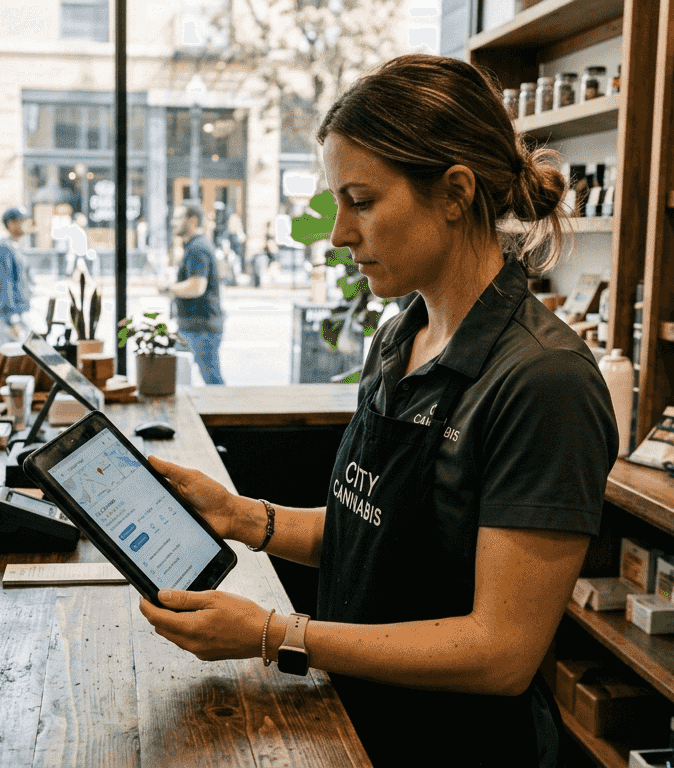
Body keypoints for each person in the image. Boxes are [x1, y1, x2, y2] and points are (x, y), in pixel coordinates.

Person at [137, 54, 617, 767]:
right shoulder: (401, 336)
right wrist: (245, 519)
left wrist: (277, 633)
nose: (338, 234)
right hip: (361, 721)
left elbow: (501, 652)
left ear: (454, 193)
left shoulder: (544, 382)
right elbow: (383, 535)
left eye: (360, 202)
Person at [163, 200, 225, 385]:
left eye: (178, 218)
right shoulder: (195, 246)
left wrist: (169, 288)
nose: (173, 222)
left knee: (212, 380)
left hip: (201, 327)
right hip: (195, 326)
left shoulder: (197, 248)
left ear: (192, 220)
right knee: (181, 377)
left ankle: (225, 411)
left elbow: (197, 287)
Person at [0, 206, 33, 350]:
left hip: (21, 313)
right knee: (9, 359)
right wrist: (12, 319)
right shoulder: (4, 249)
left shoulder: (16, 247)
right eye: (22, 221)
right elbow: (3, 284)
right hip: (9, 316)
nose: (26, 224)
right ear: (11, 224)